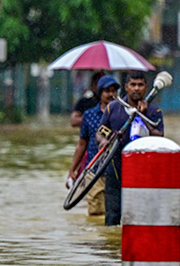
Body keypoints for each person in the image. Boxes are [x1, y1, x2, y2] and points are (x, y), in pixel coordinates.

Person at [98, 71, 164, 226]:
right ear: (126, 87)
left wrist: (143, 116)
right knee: (112, 219)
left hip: (142, 172)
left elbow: (159, 137)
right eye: (133, 85)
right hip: (115, 169)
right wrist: (103, 141)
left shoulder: (154, 112)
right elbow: (101, 131)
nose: (136, 88)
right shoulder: (113, 108)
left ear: (146, 88)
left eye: (140, 85)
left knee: (141, 219)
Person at [66, 75, 119, 216]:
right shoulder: (89, 115)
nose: (111, 94)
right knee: (95, 211)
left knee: (116, 212)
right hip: (95, 170)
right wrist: (72, 170)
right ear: (99, 93)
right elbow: (82, 144)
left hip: (118, 171)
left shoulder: (124, 114)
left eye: (114, 90)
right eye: (107, 91)